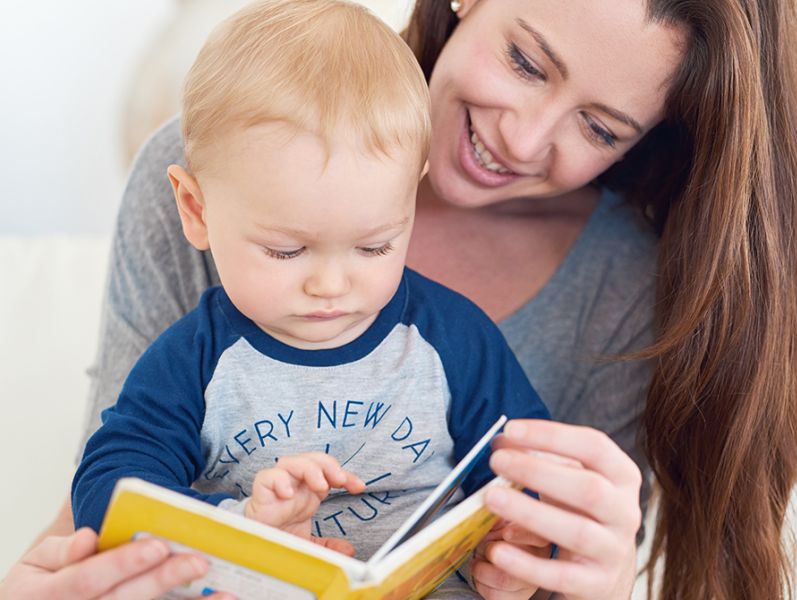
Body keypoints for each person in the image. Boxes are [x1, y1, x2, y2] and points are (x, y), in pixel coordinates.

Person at [3, 0, 797, 598]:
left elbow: (527, 512)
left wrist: (568, 568)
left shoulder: (613, 287)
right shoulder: (225, 162)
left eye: (599, 126)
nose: (523, 139)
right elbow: (112, 497)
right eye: (525, 61)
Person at [70, 4, 550, 588]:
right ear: (197, 210)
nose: (330, 285)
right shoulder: (196, 359)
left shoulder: (452, 340)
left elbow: (533, 469)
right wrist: (242, 526)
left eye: (374, 247)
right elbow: (109, 486)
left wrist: (522, 552)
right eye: (285, 251)